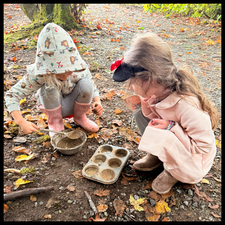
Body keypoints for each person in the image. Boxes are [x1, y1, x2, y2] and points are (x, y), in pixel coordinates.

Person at [111, 32, 219, 194]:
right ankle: (158, 156)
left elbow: (203, 146)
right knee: (140, 113)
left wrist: (170, 128)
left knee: (163, 130)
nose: (130, 88)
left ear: (151, 79)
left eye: (132, 83)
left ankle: (172, 171)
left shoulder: (186, 105)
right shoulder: (158, 93)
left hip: (194, 161)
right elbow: (161, 118)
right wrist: (149, 111)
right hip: (176, 141)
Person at [5, 23, 103, 137]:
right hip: (52, 106)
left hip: (74, 104)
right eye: (61, 72)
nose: (68, 75)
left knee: (86, 83)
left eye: (70, 70)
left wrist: (97, 101)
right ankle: (55, 122)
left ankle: (80, 118)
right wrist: (21, 122)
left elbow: (91, 83)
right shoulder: (39, 74)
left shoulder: (78, 68)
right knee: (49, 86)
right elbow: (11, 95)